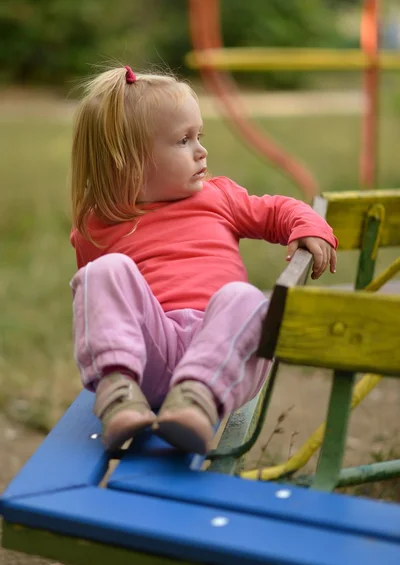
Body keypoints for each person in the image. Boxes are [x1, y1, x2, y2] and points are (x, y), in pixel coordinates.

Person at [69, 66, 337, 456]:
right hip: (150, 357)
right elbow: (104, 310)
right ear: (127, 162)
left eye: (199, 136)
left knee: (244, 298)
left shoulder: (217, 196)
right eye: (182, 140)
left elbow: (278, 210)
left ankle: (194, 403)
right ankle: (118, 392)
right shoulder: (98, 227)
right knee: (101, 274)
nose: (201, 150)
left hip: (224, 355)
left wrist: (309, 227)